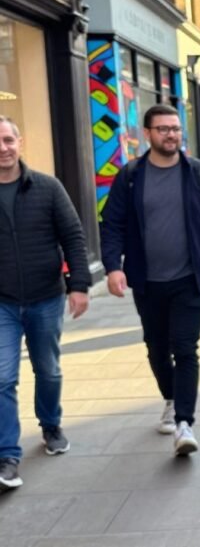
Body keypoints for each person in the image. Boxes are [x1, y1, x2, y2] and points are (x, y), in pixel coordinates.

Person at [101, 104, 200, 456]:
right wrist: (113, 267)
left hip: (191, 278)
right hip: (147, 281)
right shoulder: (130, 176)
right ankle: (171, 399)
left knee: (185, 348)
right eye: (163, 129)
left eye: (175, 128)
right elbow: (112, 225)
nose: (171, 134)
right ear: (147, 134)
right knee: (157, 348)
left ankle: (184, 422)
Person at [0, 116, 91, 491]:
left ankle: (51, 425)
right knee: (2, 377)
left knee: (48, 370)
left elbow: (73, 236)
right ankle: (7, 455)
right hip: (2, 303)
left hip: (46, 297)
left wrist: (79, 285)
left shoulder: (48, 187)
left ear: (20, 142)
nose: (3, 148)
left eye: (8, 140)